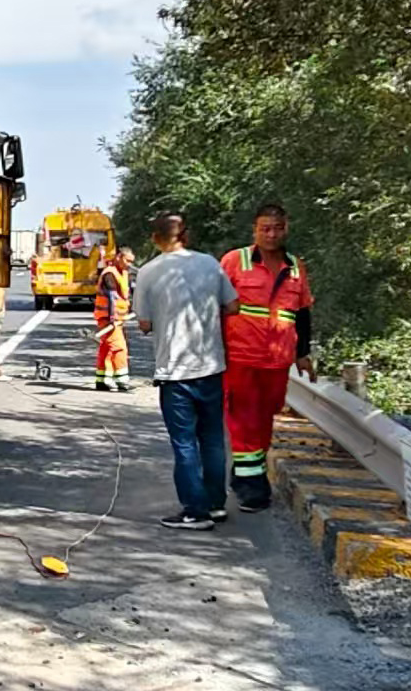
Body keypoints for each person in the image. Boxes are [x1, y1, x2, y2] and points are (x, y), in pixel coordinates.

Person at [134, 213, 238, 530]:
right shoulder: (210, 264)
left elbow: (144, 323)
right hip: (211, 367)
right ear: (186, 236)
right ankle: (216, 504)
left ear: (155, 239)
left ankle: (195, 511)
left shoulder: (149, 272)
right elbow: (233, 306)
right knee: (213, 439)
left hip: (175, 373)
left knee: (184, 443)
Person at [220, 202, 316, 512]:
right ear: (255, 230)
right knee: (243, 419)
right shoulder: (234, 261)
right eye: (265, 229)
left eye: (277, 228)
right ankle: (253, 489)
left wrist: (303, 354)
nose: (271, 235)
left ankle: (245, 473)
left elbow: (302, 313)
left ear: (286, 229)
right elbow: (215, 306)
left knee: (264, 418)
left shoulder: (296, 267)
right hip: (240, 357)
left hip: (278, 360)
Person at [92, 247, 131, 390]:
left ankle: (102, 379)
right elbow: (112, 297)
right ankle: (122, 379)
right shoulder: (110, 274)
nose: (129, 264)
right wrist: (113, 318)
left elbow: (124, 295)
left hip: (117, 318)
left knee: (106, 347)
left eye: (131, 262)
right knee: (118, 348)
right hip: (108, 318)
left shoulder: (123, 273)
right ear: (119, 257)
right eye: (127, 260)